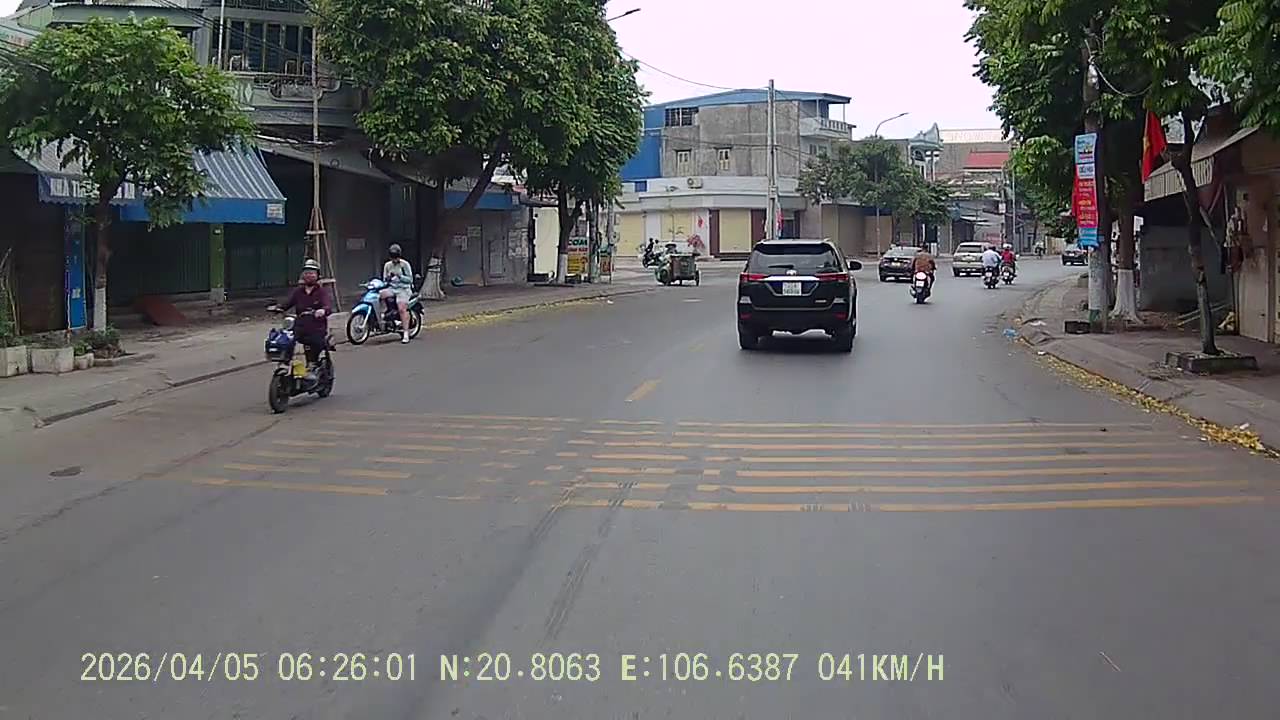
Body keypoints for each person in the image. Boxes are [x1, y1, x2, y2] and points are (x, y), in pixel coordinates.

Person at [277, 258, 332, 382]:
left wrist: (322, 311)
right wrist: (278, 308)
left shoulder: (322, 292)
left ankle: (312, 365)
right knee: (287, 339)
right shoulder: (298, 291)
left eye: (312, 273)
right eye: (306, 273)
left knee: (314, 342)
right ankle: (285, 363)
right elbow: (288, 303)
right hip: (300, 325)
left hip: (316, 327)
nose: (309, 276)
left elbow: (328, 306)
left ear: (317, 276)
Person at [381, 243, 414, 344]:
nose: (394, 260)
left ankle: (405, 333)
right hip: (392, 288)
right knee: (380, 295)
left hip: (403, 289)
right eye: (393, 258)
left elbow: (410, 280)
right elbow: (384, 279)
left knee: (401, 309)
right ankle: (384, 316)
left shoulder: (405, 265)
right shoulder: (387, 265)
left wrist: (400, 276)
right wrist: (388, 278)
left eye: (396, 257)